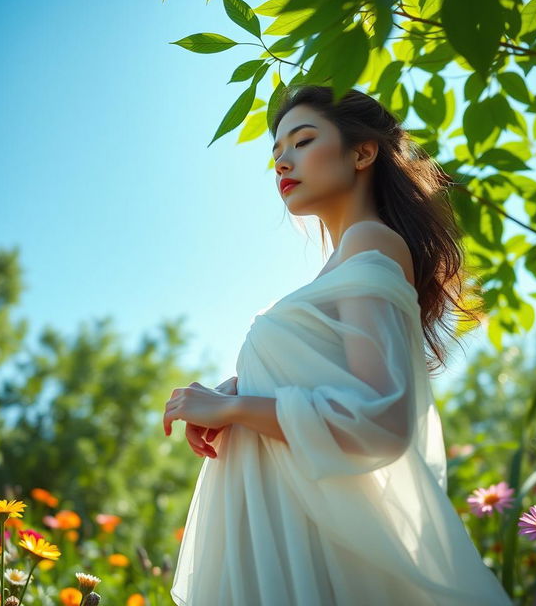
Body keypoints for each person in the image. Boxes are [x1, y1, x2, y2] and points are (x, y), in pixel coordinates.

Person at [163, 85, 513, 605]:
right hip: (287, 534)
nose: (282, 161)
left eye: (302, 141)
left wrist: (235, 406)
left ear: (363, 152)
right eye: (276, 152)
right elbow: (329, 383)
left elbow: (381, 421)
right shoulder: (350, 258)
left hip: (316, 551)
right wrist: (239, 389)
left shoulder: (370, 243)